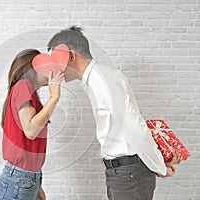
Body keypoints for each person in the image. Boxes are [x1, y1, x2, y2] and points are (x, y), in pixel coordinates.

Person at [47, 26, 181, 200]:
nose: (53, 68)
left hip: (129, 176)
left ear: (71, 56)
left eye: (55, 60)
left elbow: (134, 127)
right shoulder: (93, 82)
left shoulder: (104, 80)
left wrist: (160, 167)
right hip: (122, 175)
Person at [0, 49, 64, 200]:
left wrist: (35, 183)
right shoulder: (23, 85)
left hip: (26, 179)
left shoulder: (27, 92)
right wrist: (54, 97)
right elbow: (30, 131)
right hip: (18, 180)